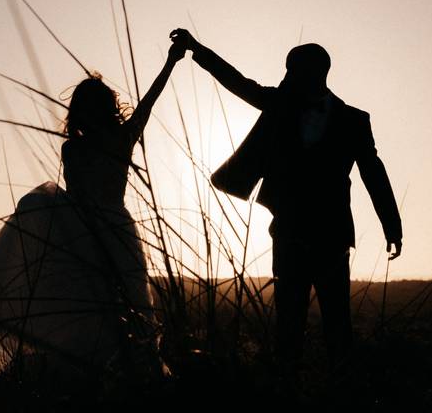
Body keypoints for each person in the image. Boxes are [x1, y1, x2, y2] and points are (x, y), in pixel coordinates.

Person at [0, 41, 186, 384]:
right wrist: (171, 61)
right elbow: (149, 103)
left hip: (86, 234)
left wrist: (171, 62)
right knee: (115, 314)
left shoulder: (89, 144)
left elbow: (148, 102)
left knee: (103, 314)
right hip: (103, 234)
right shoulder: (113, 139)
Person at [169, 28, 402, 383]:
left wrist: (392, 225)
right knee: (287, 327)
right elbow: (238, 82)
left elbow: (374, 172)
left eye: (292, 71)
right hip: (288, 234)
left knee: (338, 325)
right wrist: (196, 48)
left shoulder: (354, 120)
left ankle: (342, 393)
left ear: (314, 73)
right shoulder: (279, 104)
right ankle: (285, 391)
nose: (286, 77)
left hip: (333, 238)